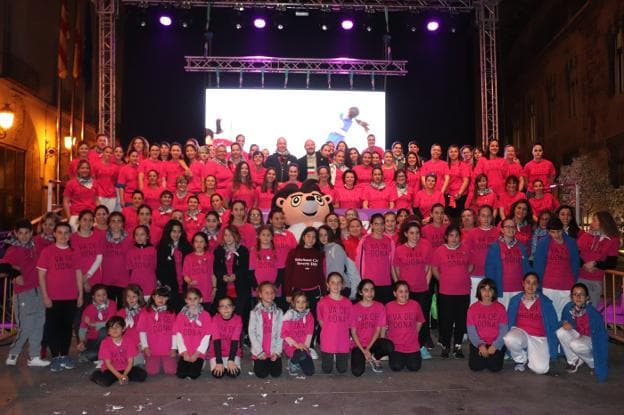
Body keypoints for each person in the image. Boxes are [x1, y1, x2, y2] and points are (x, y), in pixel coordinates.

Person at [1, 219, 49, 367]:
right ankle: (14, 352)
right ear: (16, 233)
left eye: (27, 233)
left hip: (38, 291)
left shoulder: (34, 246)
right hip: (23, 294)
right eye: (20, 233)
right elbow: (3, 266)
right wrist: (15, 275)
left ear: (31, 233)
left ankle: (34, 356)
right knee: (26, 326)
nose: (23, 236)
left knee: (39, 323)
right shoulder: (13, 249)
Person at [37, 223, 83, 372]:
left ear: (70, 235)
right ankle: (56, 357)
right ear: (55, 234)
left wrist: (80, 294)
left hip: (70, 297)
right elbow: (42, 275)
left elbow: (78, 274)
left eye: (66, 233)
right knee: (53, 327)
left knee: (66, 328)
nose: (63, 236)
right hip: (53, 297)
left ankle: (64, 355)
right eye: (60, 232)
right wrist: (45, 296)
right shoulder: (47, 252)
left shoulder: (74, 253)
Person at [504, 272, 559, 374]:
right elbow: (509, 321)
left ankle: (531, 352)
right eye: (528, 282)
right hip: (521, 334)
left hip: (539, 337)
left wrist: (553, 346)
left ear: (538, 285)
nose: (531, 286)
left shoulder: (546, 302)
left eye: (534, 283)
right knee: (509, 338)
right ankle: (520, 360)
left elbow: (553, 324)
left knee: (541, 369)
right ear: (523, 283)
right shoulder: (515, 300)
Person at [431, 225, 473, 358]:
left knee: (461, 320)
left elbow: (471, 265)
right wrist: (443, 280)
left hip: (463, 291)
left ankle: (458, 346)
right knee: (446, 320)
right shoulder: (439, 251)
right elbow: (434, 268)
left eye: (456, 235)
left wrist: (464, 276)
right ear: (446, 237)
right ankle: (445, 345)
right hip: (446, 292)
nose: (454, 239)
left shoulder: (466, 249)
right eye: (451, 236)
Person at [392, 221, 434, 355]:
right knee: (407, 319)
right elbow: (396, 269)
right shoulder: (399, 249)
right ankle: (406, 343)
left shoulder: (425, 247)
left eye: (417, 233)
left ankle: (421, 345)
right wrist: (400, 288)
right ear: (406, 234)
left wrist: (426, 285)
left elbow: (428, 268)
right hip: (406, 292)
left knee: (421, 318)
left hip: (421, 289)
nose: (415, 236)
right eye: (411, 233)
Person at [556, 283, 608, 382]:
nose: (578, 297)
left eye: (581, 294)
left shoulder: (592, 312)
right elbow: (564, 321)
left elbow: (600, 335)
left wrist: (573, 325)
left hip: (591, 339)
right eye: (575, 294)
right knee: (561, 332)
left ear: (587, 297)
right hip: (579, 335)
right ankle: (573, 361)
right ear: (571, 297)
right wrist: (564, 323)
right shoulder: (568, 307)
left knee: (575, 344)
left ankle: (593, 363)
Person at [534, 217, 580, 318]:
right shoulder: (543, 243)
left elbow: (575, 264)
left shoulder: (571, 243)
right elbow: (538, 266)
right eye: (553, 232)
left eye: (559, 231)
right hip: (548, 286)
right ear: (548, 231)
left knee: (566, 317)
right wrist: (539, 285)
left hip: (567, 286)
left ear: (562, 229)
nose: (556, 235)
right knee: (550, 316)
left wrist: (573, 281)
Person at [350, 280, 394, 376]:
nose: (370, 293)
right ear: (360, 292)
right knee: (357, 372)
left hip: (373, 343)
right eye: (366, 290)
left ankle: (374, 357)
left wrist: (368, 350)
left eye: (372, 290)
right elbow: (353, 333)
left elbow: (378, 330)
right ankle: (365, 357)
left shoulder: (380, 306)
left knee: (389, 346)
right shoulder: (354, 308)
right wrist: (364, 351)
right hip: (358, 345)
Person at [485, 218, 531, 309]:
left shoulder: (522, 247)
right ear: (502, 230)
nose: (511, 229)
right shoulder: (494, 247)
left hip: (519, 290)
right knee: (502, 318)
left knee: (516, 318)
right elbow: (489, 271)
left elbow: (527, 269)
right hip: (502, 291)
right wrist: (492, 290)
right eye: (507, 227)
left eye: (513, 227)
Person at [577, 211, 621, 304]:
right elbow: (575, 255)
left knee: (591, 310)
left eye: (594, 220)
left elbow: (611, 263)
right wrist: (584, 265)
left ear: (603, 222)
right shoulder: (585, 236)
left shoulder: (613, 240)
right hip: (579, 277)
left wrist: (595, 263)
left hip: (595, 281)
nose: (591, 223)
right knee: (577, 309)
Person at [90, 316, 147, 387]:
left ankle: (123, 378)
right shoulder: (105, 343)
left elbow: (130, 361)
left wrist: (124, 375)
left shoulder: (129, 341)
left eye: (117, 327)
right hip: (111, 369)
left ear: (123, 329)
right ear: (108, 331)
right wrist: (120, 376)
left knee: (142, 375)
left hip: (126, 368)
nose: (114, 329)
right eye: (111, 328)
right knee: (104, 382)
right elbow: (108, 364)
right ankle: (96, 374)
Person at [466, 278, 508, 372]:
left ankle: (497, 355)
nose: (487, 292)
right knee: (475, 367)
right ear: (479, 291)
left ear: (494, 292)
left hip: (495, 343)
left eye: (490, 289)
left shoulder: (501, 308)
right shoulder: (472, 309)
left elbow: (504, 330)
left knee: (495, 368)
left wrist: (496, 345)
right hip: (479, 343)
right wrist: (480, 345)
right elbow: (471, 332)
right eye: (484, 289)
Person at [385, 280, 425, 372]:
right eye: (401, 291)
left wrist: (415, 333)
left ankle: (411, 356)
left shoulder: (415, 305)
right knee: (396, 367)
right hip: (396, 346)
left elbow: (419, 321)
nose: (404, 294)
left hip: (412, 345)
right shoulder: (388, 306)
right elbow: (384, 325)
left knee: (414, 367)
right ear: (395, 293)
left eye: (406, 291)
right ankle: (396, 356)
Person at [355, 214, 395, 304]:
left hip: (385, 282)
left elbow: (392, 263)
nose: (379, 227)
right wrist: (362, 281)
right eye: (376, 224)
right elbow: (359, 263)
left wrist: (395, 280)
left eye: (381, 224)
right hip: (369, 283)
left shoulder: (389, 240)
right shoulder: (365, 240)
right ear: (372, 225)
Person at [317, 273, 353, 374]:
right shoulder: (322, 302)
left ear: (342, 285)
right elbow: (321, 320)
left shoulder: (347, 302)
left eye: (338, 283)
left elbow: (350, 322)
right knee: (327, 370)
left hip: (342, 340)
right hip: (328, 339)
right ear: (328, 285)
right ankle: (329, 355)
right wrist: (329, 331)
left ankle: (338, 356)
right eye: (332, 282)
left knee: (342, 370)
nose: (336, 285)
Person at [174, 288, 213, 380]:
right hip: (186, 351)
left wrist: (197, 354)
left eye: (195, 298)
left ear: (201, 300)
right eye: (189, 299)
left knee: (193, 375)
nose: (192, 301)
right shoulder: (181, 315)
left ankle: (201, 362)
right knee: (181, 374)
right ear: (186, 300)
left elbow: (206, 337)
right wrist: (184, 353)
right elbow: (178, 335)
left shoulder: (206, 315)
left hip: (198, 353)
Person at [138, 286, 178, 376]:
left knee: (171, 371)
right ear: (153, 297)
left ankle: (171, 360)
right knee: (152, 372)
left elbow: (174, 332)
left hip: (167, 349)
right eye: (158, 296)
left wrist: (174, 348)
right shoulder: (145, 312)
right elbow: (142, 331)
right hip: (152, 350)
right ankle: (155, 362)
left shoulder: (171, 312)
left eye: (164, 297)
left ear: (167, 298)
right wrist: (145, 347)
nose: (161, 299)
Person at [464, 206, 499, 304]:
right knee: (474, 304)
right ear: (478, 217)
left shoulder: (498, 233)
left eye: (488, 216)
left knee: (492, 304)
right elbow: (466, 254)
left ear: (492, 217)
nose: (486, 219)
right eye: (483, 216)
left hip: (493, 275)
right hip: (475, 275)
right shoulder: (472, 233)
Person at [249, 282, 284, 378]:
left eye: (272, 292)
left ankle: (271, 360)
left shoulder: (279, 312)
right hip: (260, 351)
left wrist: (277, 352)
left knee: (276, 374)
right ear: (260, 294)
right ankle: (256, 361)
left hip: (273, 350)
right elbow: (252, 333)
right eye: (266, 293)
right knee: (262, 374)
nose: (270, 295)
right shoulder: (254, 312)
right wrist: (259, 352)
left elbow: (281, 333)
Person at [156, 220, 192, 310]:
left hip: (185, 286)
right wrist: (165, 284)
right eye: (174, 231)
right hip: (170, 287)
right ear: (169, 232)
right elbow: (160, 268)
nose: (176, 234)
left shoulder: (187, 246)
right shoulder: (162, 246)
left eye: (179, 232)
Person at [77, 284, 116, 362]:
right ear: (93, 296)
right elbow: (83, 328)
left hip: (109, 338)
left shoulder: (112, 304)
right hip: (94, 341)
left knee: (104, 330)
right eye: (98, 295)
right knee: (89, 355)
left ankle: (105, 354)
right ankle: (106, 355)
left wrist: (93, 324)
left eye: (104, 295)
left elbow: (110, 322)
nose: (102, 298)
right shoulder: (88, 309)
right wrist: (82, 341)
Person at [281, 291, 315, 376]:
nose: (301, 304)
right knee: (300, 354)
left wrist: (306, 347)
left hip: (303, 346)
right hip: (291, 345)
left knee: (310, 372)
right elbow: (284, 334)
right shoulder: (289, 315)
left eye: (303, 302)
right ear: (293, 303)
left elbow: (309, 333)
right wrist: (296, 345)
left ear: (307, 303)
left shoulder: (309, 315)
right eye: (298, 302)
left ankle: (300, 358)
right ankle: (292, 362)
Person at [101, 212, 132, 305]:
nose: (116, 223)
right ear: (109, 223)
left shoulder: (129, 239)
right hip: (107, 279)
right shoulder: (102, 237)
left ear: (123, 223)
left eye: (119, 221)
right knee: (109, 308)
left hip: (124, 279)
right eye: (113, 221)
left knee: (122, 309)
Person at [208, 296, 242, 378]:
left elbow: (235, 341)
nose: (226, 308)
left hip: (233, 352)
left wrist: (231, 360)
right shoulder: (215, 319)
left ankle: (228, 364)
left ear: (233, 308)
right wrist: (219, 362)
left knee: (233, 373)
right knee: (218, 374)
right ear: (218, 309)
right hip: (216, 353)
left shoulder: (238, 319)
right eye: (222, 306)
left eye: (229, 305)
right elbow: (216, 341)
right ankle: (223, 364)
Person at [183, 232, 217, 310]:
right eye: (196, 241)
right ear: (193, 243)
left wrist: (214, 288)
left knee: (206, 315)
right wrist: (190, 281)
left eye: (201, 241)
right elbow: (185, 275)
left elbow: (213, 274)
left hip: (207, 292)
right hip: (193, 294)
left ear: (205, 244)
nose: (199, 244)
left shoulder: (210, 256)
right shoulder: (188, 257)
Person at [63, 160, 98, 231]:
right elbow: (66, 201)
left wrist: (98, 215)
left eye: (87, 168)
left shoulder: (94, 183)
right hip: (76, 215)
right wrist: (69, 217)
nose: (85, 170)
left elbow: (96, 200)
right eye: (82, 168)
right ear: (78, 170)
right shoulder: (71, 183)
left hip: (91, 214)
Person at [445, 144, 470, 219]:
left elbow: (466, 181)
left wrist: (459, 193)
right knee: (449, 218)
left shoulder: (463, 165)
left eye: (455, 151)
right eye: (451, 152)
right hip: (448, 196)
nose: (453, 153)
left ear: (459, 153)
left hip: (461, 196)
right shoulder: (445, 165)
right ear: (448, 154)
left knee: (459, 218)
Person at [93, 146, 120, 212]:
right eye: (106, 152)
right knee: (99, 216)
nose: (108, 154)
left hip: (112, 196)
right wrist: (95, 196)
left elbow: (115, 181)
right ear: (103, 153)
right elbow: (93, 181)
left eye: (110, 153)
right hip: (99, 194)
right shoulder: (95, 165)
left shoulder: (115, 167)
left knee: (109, 216)